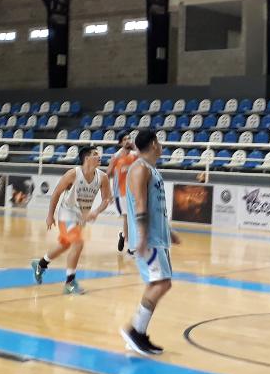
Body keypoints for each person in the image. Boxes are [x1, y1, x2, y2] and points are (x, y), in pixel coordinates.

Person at [121, 130, 180, 355]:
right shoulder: (139, 168)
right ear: (154, 143)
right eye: (159, 142)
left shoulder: (151, 169)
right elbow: (140, 203)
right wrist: (143, 236)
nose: (161, 145)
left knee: (157, 284)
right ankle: (134, 331)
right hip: (148, 239)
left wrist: (169, 231)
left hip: (157, 237)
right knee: (162, 284)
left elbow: (156, 207)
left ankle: (138, 333)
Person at [31, 146, 112, 295]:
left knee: (65, 245)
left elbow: (107, 199)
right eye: (95, 154)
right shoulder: (73, 174)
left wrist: (96, 211)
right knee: (78, 243)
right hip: (66, 214)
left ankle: (41, 263)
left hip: (81, 217)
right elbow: (56, 193)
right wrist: (50, 215)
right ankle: (70, 283)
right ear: (87, 158)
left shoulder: (103, 177)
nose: (99, 156)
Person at [107, 131, 138, 252]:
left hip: (134, 191)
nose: (128, 141)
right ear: (120, 143)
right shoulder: (116, 156)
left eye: (129, 138)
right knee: (128, 217)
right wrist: (108, 193)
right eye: (125, 139)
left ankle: (124, 235)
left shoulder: (135, 155)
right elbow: (108, 174)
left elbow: (146, 161)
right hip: (121, 192)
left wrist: (135, 147)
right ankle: (131, 246)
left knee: (134, 218)